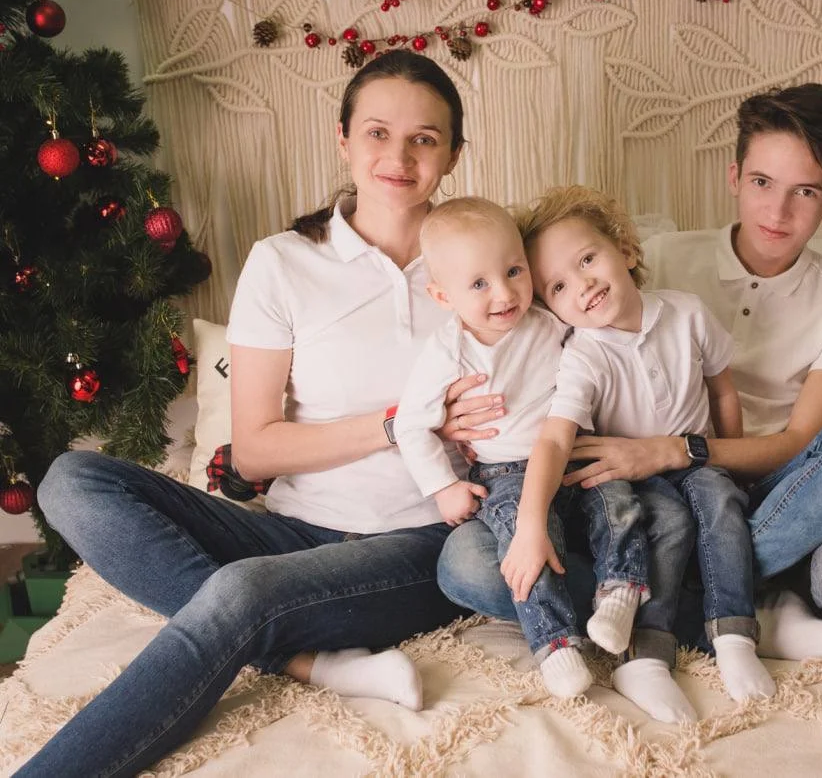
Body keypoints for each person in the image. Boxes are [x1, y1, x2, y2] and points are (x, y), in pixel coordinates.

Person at [18, 50, 502, 776]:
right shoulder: (283, 262)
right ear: (344, 139)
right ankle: (304, 660)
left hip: (418, 541)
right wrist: (401, 421)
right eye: (377, 133)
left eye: (424, 139)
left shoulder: (487, 258)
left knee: (240, 589)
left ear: (454, 154)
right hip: (291, 531)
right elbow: (254, 453)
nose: (398, 158)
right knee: (70, 480)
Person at [437, 83, 822, 684]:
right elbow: (532, 316)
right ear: (734, 176)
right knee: (467, 562)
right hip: (636, 502)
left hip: (771, 497)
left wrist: (677, 451)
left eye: (806, 192)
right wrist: (453, 409)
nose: (777, 211)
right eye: (762, 182)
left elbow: (799, 442)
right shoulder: (658, 257)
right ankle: (746, 610)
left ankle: (686, 598)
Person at [519, 184, 776, 719]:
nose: (583, 284)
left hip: (695, 459)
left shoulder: (687, 313)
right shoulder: (583, 356)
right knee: (663, 525)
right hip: (635, 481)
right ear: (552, 309)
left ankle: (734, 633)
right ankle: (647, 655)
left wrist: (733, 460)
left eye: (587, 259)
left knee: (722, 502)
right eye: (559, 286)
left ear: (627, 250)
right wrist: (531, 522)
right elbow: (555, 437)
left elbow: (723, 392)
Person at [393, 196, 652, 698]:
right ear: (443, 296)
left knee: (617, 500)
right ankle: (555, 643)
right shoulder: (448, 351)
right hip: (506, 470)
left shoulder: (546, 320)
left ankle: (621, 591)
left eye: (514, 271)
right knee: (527, 542)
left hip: (574, 449)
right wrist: (443, 487)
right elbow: (410, 425)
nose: (504, 293)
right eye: (479, 284)